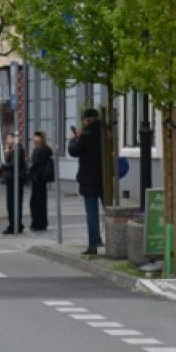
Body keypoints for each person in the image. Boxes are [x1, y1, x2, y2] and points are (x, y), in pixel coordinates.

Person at [68, 108, 104, 255]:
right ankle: (103, 239)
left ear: (87, 120)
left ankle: (93, 244)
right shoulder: (105, 132)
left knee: (91, 211)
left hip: (89, 178)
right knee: (108, 210)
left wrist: (73, 139)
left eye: (83, 119)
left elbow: (74, 151)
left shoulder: (86, 135)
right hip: (104, 177)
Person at [28, 131, 53, 232]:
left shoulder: (38, 150)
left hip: (37, 178)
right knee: (42, 201)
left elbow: (35, 163)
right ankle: (42, 222)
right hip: (43, 178)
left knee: (35, 202)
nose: (33, 139)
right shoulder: (47, 149)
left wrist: (29, 170)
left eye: (35, 137)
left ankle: (37, 223)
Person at [1, 133, 26, 235]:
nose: (7, 140)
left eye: (8, 138)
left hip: (15, 179)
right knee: (11, 204)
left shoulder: (17, 150)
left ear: (14, 139)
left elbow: (13, 165)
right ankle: (14, 224)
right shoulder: (13, 149)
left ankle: (14, 225)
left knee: (13, 203)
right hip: (11, 179)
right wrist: (7, 153)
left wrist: (2, 165)